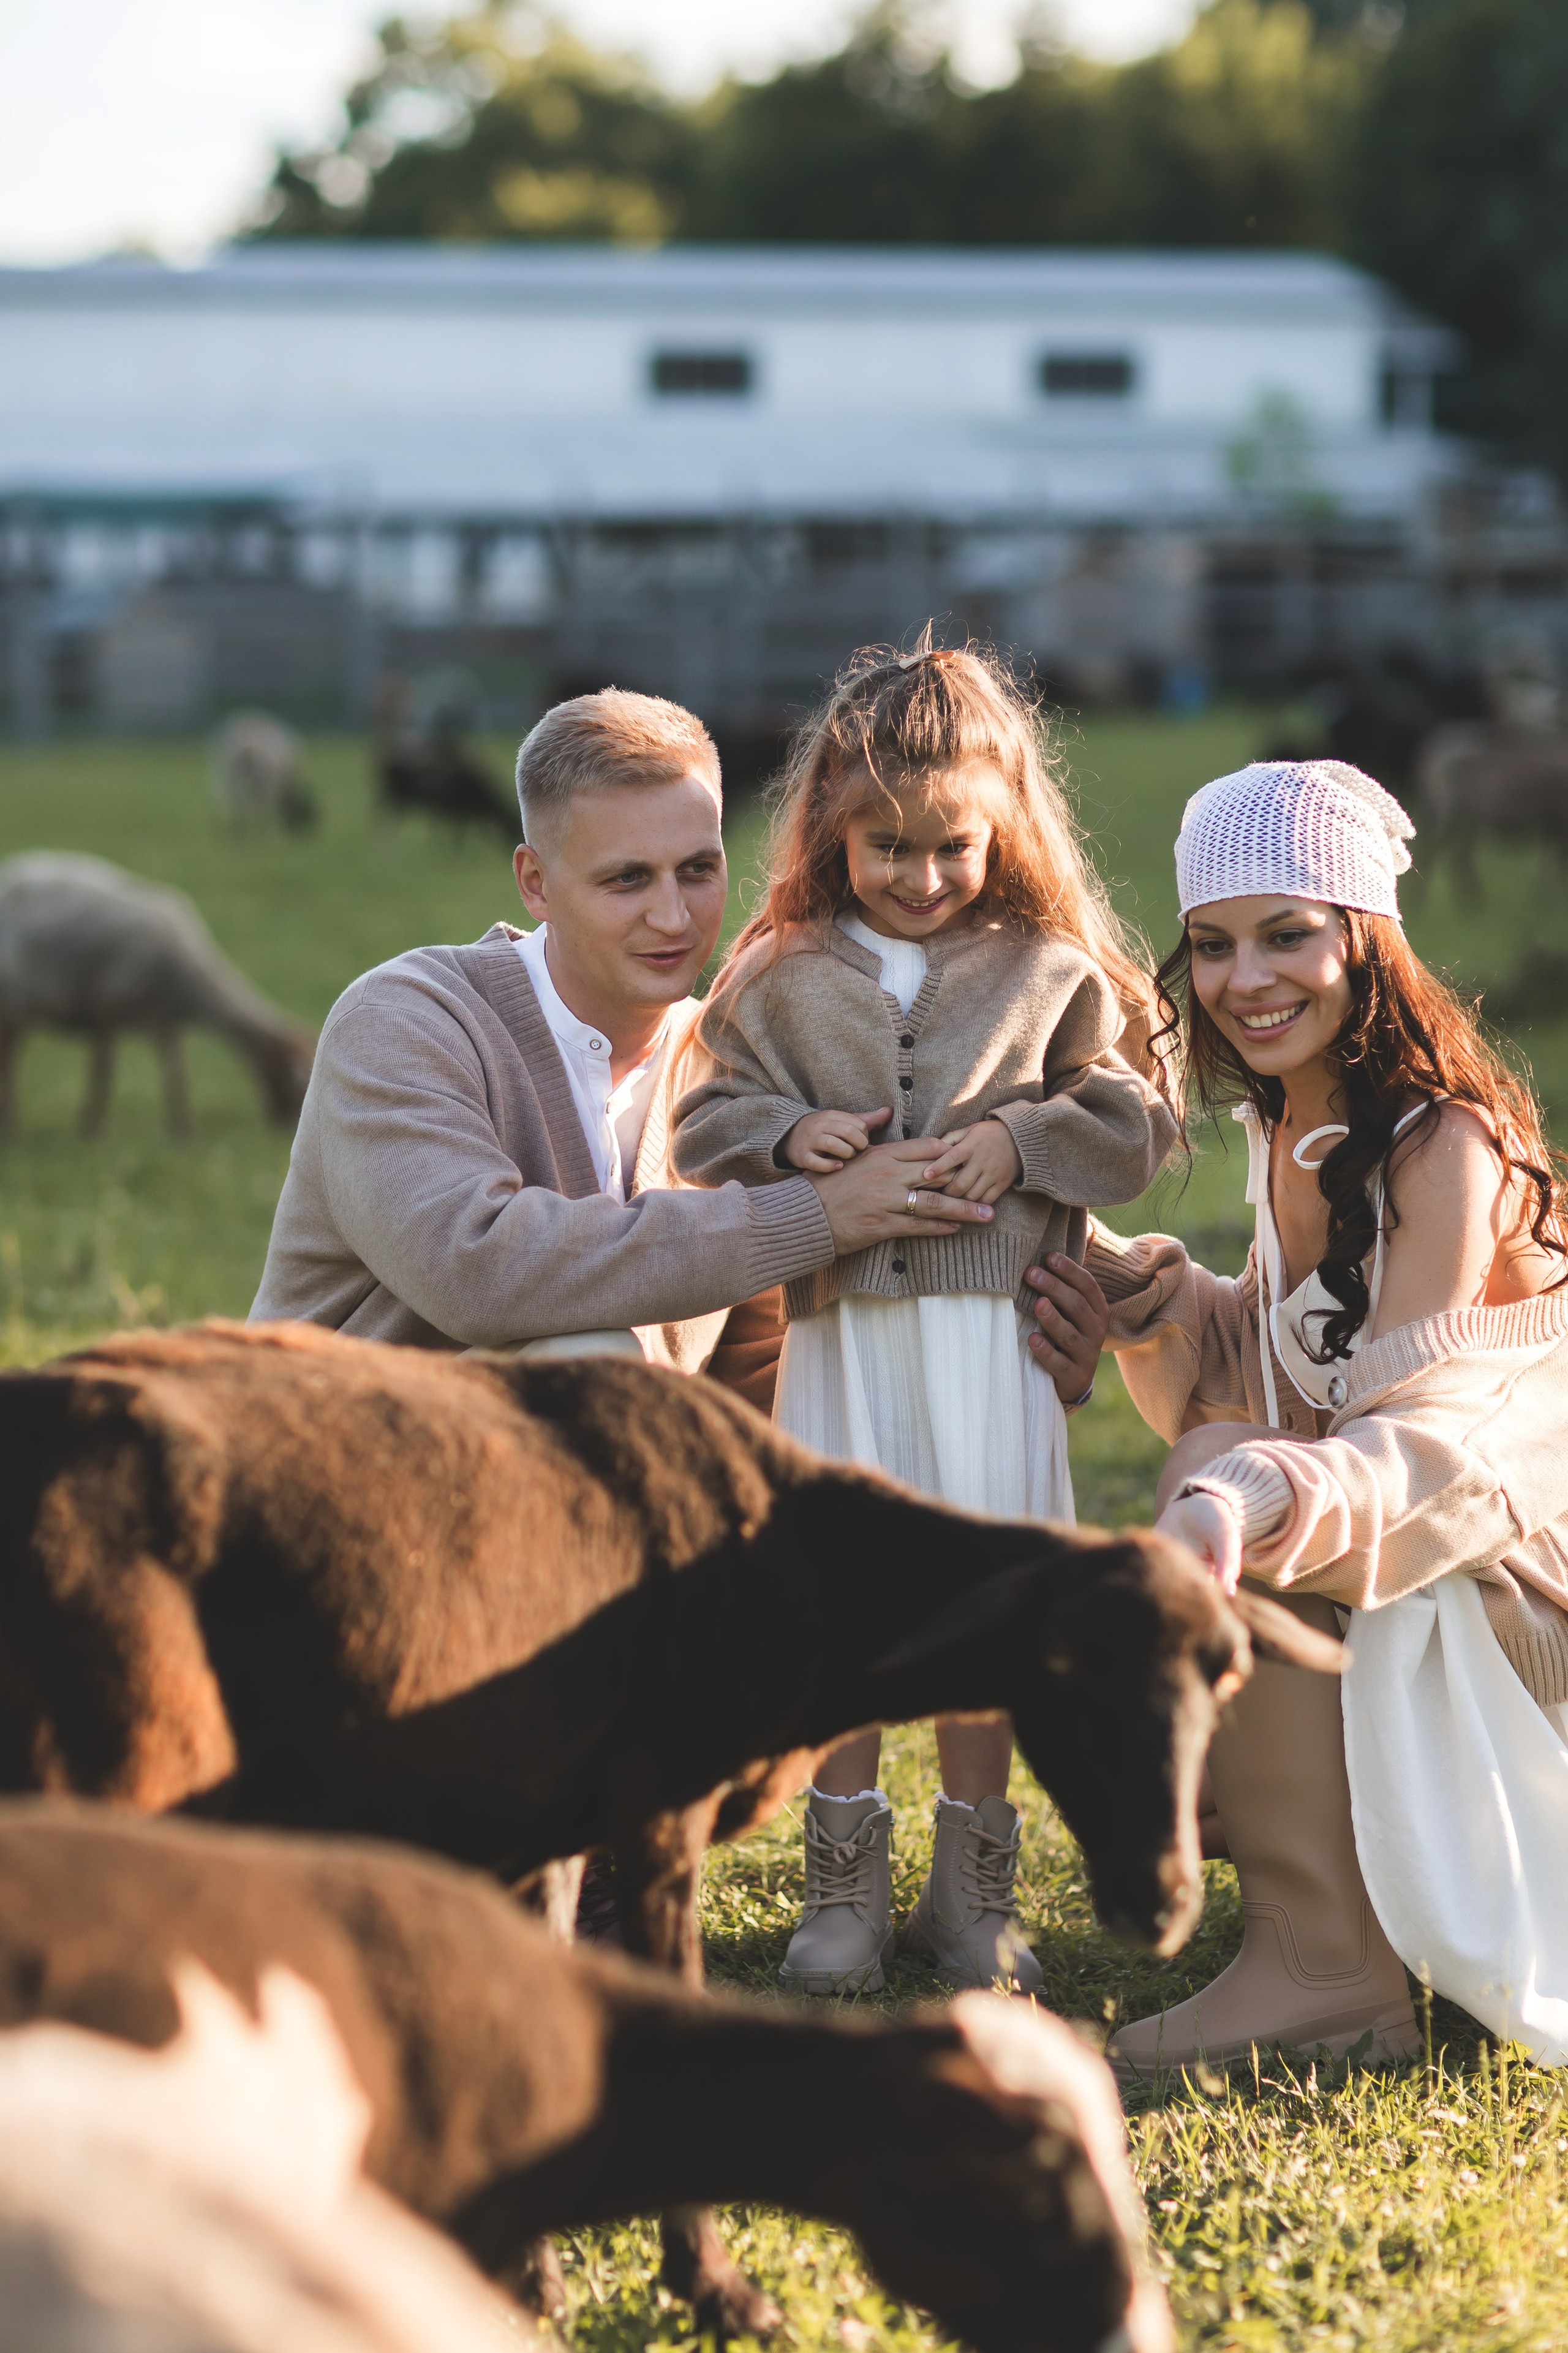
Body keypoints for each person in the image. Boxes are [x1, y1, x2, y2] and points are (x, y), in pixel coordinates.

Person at [672, 641, 1177, 1996]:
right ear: (832, 820)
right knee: (843, 1604)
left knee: (983, 1606)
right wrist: (789, 1136)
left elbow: (1133, 1122)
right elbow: (702, 1120)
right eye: (883, 846)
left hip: (992, 1346)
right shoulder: (776, 972)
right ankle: (840, 1887)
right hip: (844, 1345)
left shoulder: (1046, 968)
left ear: (998, 820)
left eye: (948, 845)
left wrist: (1017, 1148)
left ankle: (970, 1896)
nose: (916, 874)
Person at [1072, 756, 1568, 2074]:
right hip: (1424, 1549)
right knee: (1221, 1460)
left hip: (1519, 1589)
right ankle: (1327, 1929)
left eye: (1286, 934)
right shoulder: (1300, 1127)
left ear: (1363, 942)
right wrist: (1130, 1286)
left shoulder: (1441, 1144)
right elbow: (1288, 1360)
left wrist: (1231, 1491)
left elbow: (1416, 1452)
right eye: (1212, 945)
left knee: (1234, 1490)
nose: (1245, 980)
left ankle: (1321, 1973)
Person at [252, 686, 1015, 1381]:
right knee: (591, 1360)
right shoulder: (404, 1021)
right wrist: (812, 1216)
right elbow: (478, 1271)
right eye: (627, 879)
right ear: (535, 882)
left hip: (588, 1502)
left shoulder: (738, 1059)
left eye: (696, 870)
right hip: (321, 1485)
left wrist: (1081, 1319)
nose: (674, 919)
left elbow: (771, 1353)